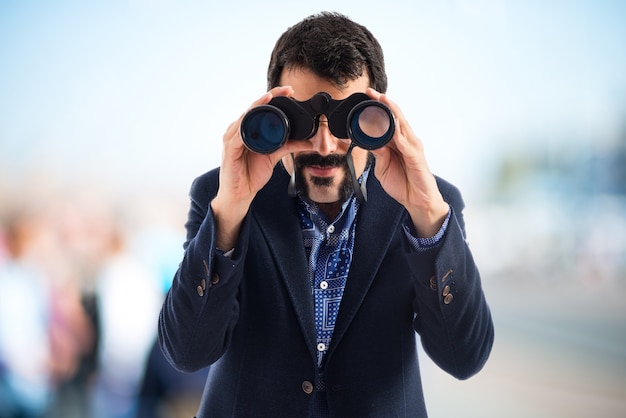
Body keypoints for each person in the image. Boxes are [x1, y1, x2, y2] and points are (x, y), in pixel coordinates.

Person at [158, 11, 494, 418]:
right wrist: (229, 215)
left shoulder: (428, 203)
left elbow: (465, 358)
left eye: (345, 118)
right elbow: (187, 352)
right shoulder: (221, 193)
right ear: (273, 111)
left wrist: (427, 215)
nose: (323, 144)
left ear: (379, 115)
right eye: (300, 119)